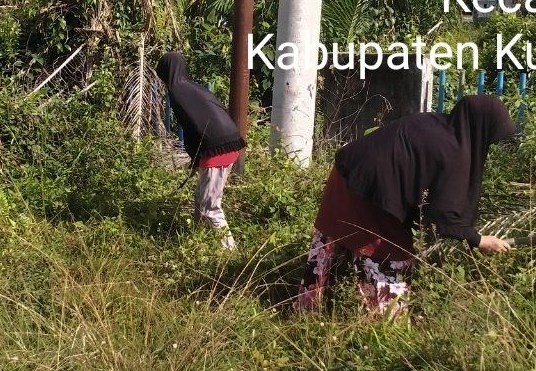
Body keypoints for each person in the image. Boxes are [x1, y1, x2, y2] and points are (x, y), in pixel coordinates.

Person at [295, 94, 517, 317]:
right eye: (491, 137)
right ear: (481, 128)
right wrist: (479, 241)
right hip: (368, 195)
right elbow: (444, 217)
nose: (490, 144)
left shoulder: (436, 125)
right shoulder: (454, 152)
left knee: (326, 250)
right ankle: (387, 326)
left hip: (344, 176)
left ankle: (305, 316)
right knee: (392, 257)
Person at [156, 51, 246, 251]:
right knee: (200, 199)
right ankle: (197, 241)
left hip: (216, 150)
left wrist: (196, 156)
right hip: (229, 143)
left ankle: (231, 253)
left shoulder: (177, 92)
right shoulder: (192, 87)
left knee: (210, 207)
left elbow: (192, 128)